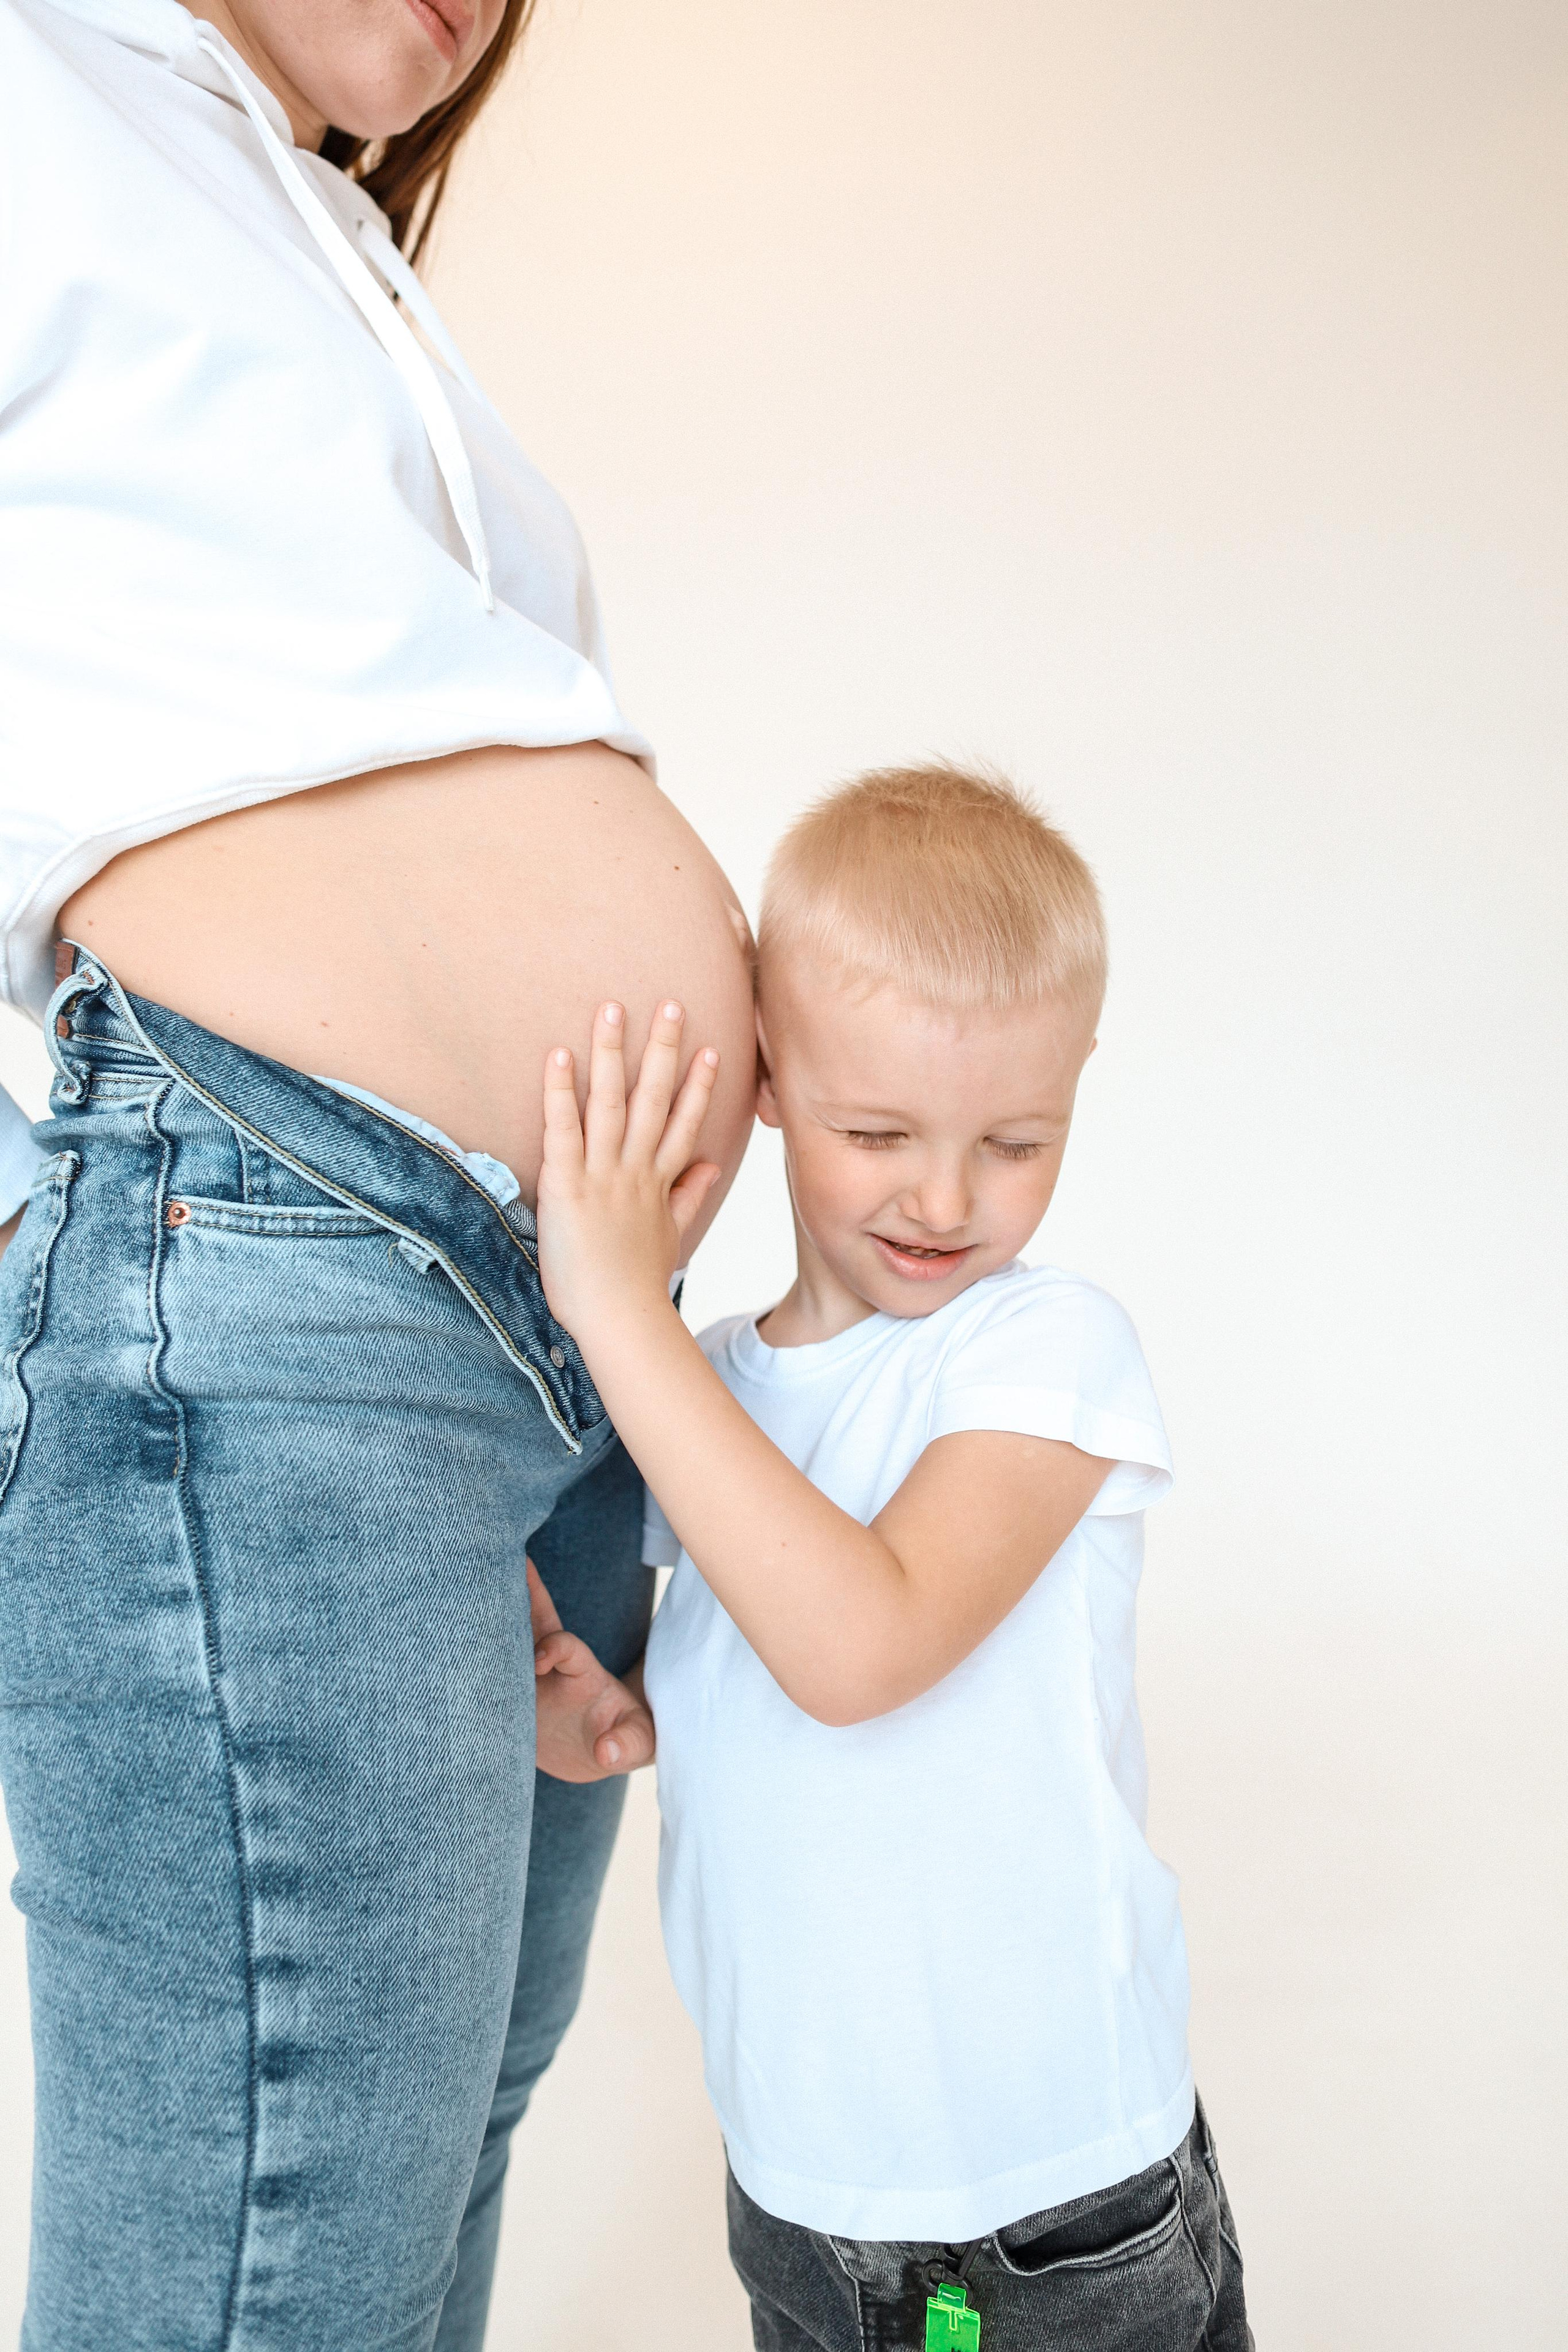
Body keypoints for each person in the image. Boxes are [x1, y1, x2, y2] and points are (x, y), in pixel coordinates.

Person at [0, 1, 754, 2344]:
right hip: (261, 1279)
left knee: (408, 2226)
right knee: (280, 2284)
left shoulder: (316, 231)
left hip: (539, 1353)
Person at [531, 764, 1253, 2350]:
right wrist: (622, 1694)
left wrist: (612, 1304)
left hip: (1038, 2220)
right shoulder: (708, 1388)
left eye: (1016, 1139)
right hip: (803, 2193)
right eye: (879, 1131)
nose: (945, 1197)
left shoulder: (1045, 1352)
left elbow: (863, 1644)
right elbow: (759, 1628)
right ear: (772, 1080)